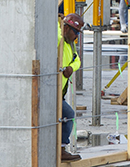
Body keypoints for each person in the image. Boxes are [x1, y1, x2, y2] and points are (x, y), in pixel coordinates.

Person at [58, 12, 83, 162]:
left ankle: (58, 149)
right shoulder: (59, 40)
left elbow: (77, 60)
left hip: (59, 93)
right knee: (68, 114)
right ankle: (61, 149)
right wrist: (57, 20)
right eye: (75, 32)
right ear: (66, 29)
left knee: (63, 117)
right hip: (50, 91)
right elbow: (54, 30)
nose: (76, 37)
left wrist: (71, 68)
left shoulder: (70, 46)